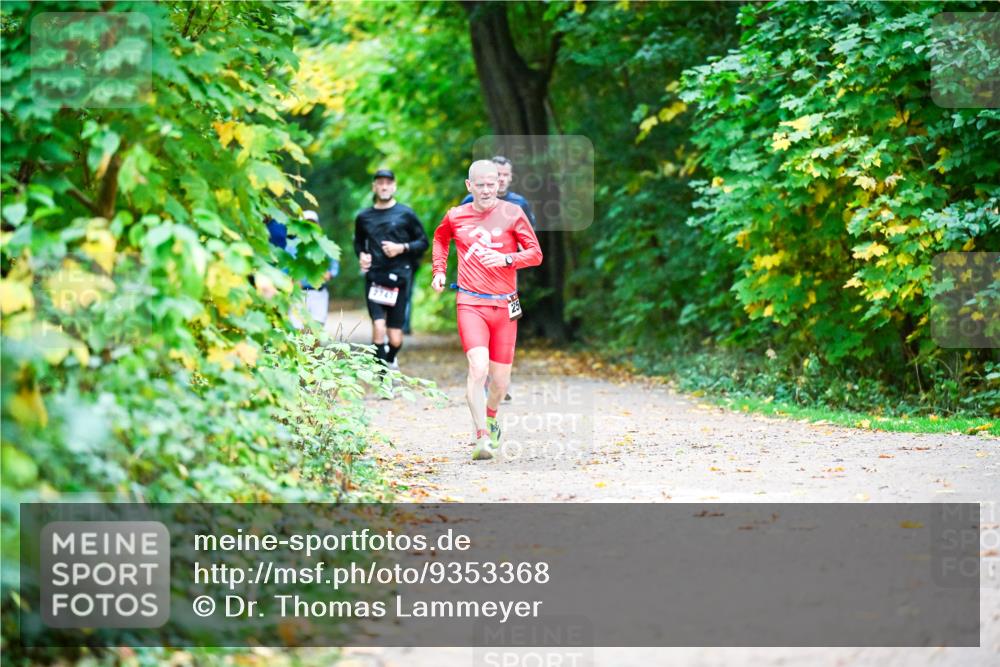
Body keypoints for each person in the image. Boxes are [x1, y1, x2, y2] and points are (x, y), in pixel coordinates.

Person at [432, 160, 542, 461]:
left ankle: (491, 417)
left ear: (499, 184)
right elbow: (441, 239)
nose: (485, 190)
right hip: (470, 302)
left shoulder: (513, 213)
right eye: (478, 184)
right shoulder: (456, 215)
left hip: (506, 304)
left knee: (500, 382)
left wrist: (506, 259)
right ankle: (481, 435)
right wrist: (439, 271)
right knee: (477, 367)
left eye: (490, 184)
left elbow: (536, 254)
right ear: (470, 186)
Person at [460, 155, 535, 401]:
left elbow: (531, 245)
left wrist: (508, 259)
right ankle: (481, 377)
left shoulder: (519, 204)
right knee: (480, 333)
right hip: (477, 284)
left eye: (505, 175)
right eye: (497, 175)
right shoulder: (469, 202)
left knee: (505, 333)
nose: (501, 180)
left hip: (508, 283)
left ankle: (500, 381)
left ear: (510, 178)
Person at [354, 168, 428, 370]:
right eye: (380, 183)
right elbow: (358, 243)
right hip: (375, 278)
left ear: (394, 186)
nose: (384, 186)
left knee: (395, 338)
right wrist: (362, 255)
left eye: (388, 183)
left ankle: (390, 357)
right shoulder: (364, 217)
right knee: (378, 326)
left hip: (399, 278)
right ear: (374, 187)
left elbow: (423, 242)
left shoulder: (406, 214)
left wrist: (401, 248)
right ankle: (382, 378)